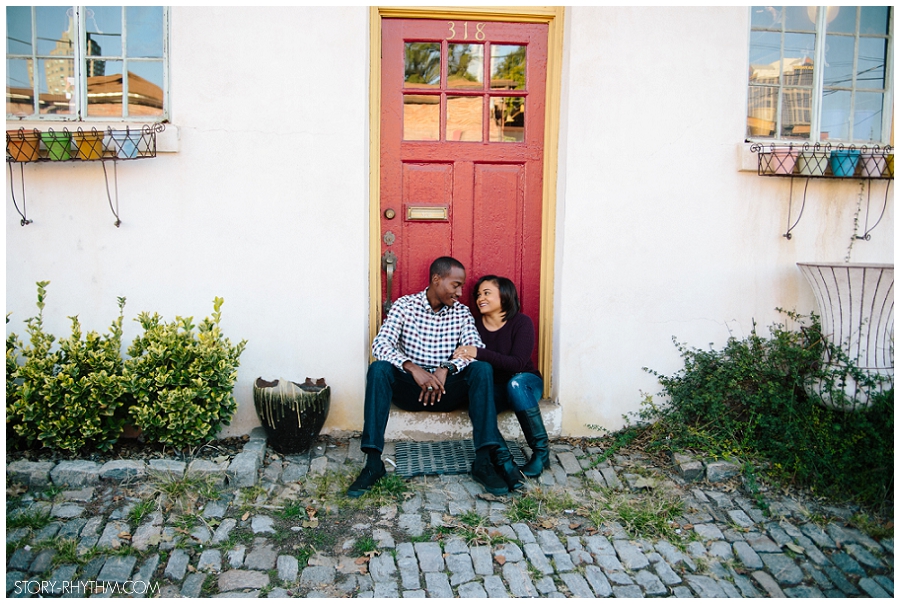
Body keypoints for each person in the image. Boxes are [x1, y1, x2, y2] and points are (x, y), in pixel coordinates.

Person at [347, 257, 522, 498]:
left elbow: (473, 348)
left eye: (461, 287)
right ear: (437, 280)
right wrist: (412, 368)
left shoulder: (461, 313)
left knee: (482, 370)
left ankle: (483, 462)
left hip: (447, 390)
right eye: (455, 285)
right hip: (411, 390)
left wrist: (446, 368)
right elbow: (381, 345)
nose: (460, 292)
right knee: (379, 369)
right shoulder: (404, 305)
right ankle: (373, 463)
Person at [452, 275, 549, 477]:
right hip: (496, 387)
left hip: (525, 382)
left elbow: (517, 363)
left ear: (504, 296)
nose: (480, 299)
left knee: (516, 384)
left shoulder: (521, 322)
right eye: (478, 295)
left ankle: (541, 453)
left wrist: (478, 352)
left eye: (487, 293)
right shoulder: (473, 327)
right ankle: (503, 458)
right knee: (477, 404)